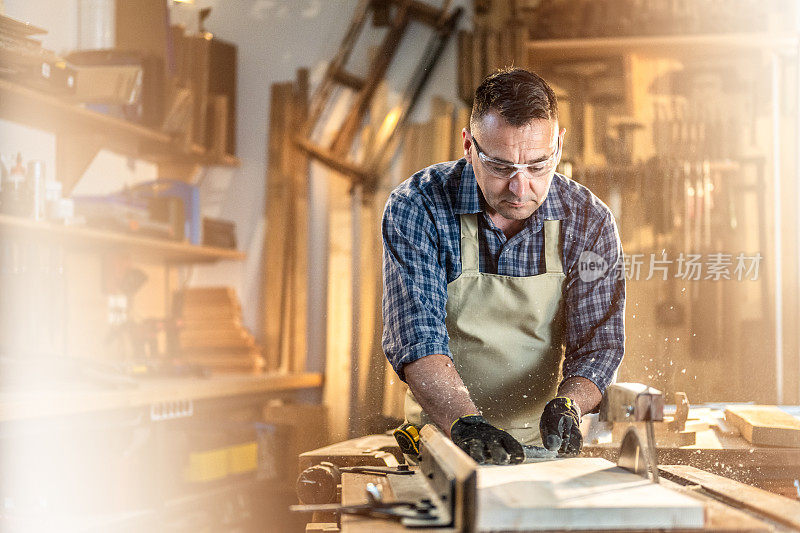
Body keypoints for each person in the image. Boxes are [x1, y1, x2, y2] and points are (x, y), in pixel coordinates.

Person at [381, 67, 625, 465]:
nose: (519, 186)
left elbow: (598, 347)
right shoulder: (418, 208)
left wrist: (570, 405)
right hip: (445, 439)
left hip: (540, 449)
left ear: (558, 146)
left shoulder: (588, 222)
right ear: (468, 145)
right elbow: (416, 337)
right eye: (499, 167)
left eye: (537, 165)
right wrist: (465, 422)